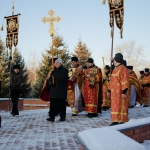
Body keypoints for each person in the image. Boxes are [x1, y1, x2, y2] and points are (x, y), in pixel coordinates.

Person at [107, 53, 129, 126]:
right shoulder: (115, 69)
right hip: (114, 93)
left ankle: (121, 119)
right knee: (115, 106)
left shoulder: (123, 69)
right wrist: (109, 90)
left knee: (120, 106)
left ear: (116, 61)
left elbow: (125, 81)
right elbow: (112, 81)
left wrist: (124, 92)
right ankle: (115, 120)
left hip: (120, 92)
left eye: (114, 60)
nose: (113, 62)